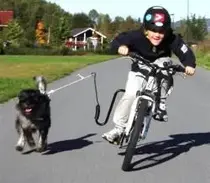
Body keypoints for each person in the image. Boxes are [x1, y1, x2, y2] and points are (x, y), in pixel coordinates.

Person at [102, 6, 196, 144]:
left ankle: (160, 102)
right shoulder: (135, 36)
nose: (157, 35)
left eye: (161, 32)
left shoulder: (171, 39)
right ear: (145, 29)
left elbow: (184, 50)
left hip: (160, 70)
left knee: (165, 62)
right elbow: (117, 41)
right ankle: (118, 128)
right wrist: (121, 47)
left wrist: (189, 64)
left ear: (167, 31)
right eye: (153, 31)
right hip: (139, 69)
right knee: (130, 94)